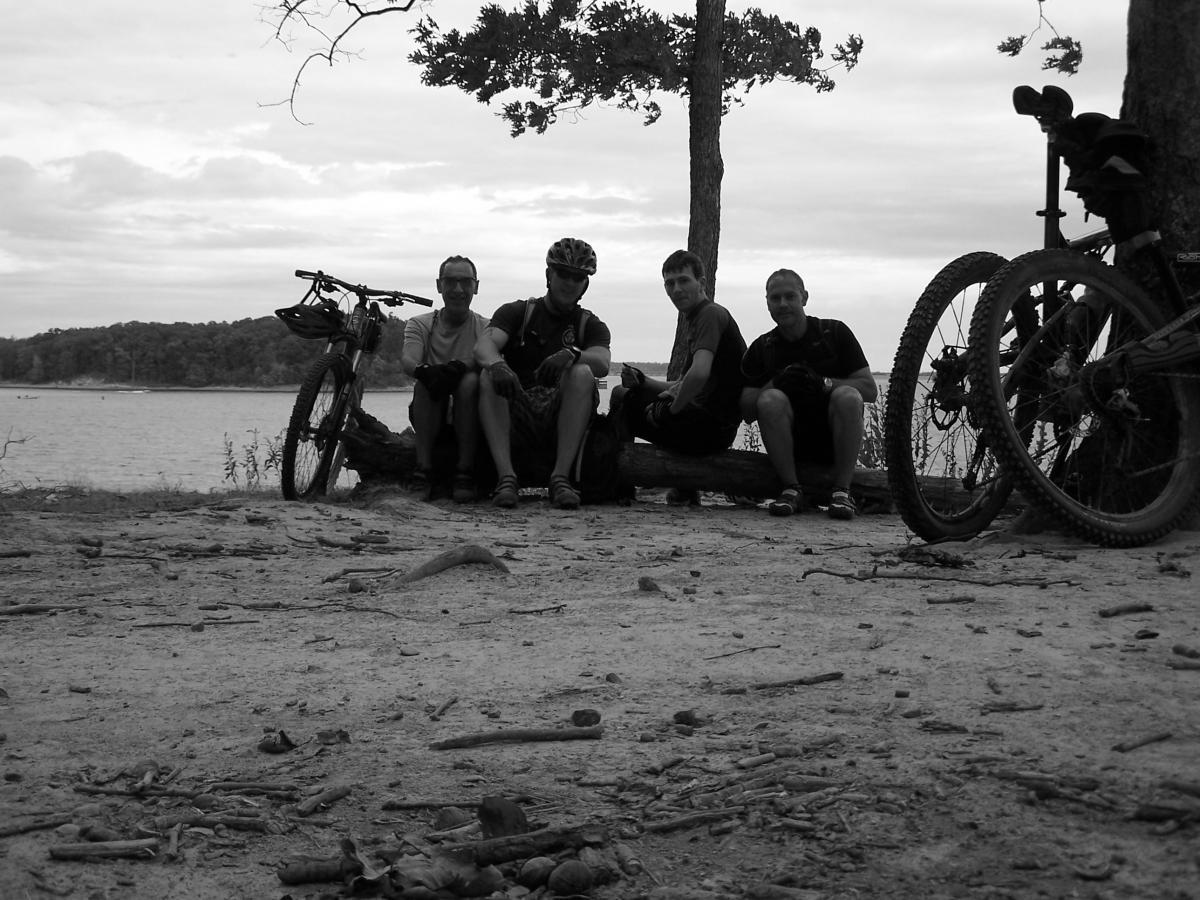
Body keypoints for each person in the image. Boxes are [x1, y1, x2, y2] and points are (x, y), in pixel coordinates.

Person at [474, 237, 612, 510]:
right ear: (549, 274)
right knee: (487, 375)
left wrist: (572, 354)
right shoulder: (517, 312)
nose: (569, 282)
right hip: (518, 407)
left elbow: (603, 362)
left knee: (583, 373)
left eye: (578, 277)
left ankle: (560, 478)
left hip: (561, 413)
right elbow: (485, 345)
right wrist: (498, 365)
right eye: (563, 273)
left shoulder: (590, 324)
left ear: (585, 284)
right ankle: (506, 478)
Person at [610, 249, 747, 505]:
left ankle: (620, 484)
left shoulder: (710, 314)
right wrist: (643, 380)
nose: (676, 289)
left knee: (620, 396)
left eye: (684, 281)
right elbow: (685, 383)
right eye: (669, 284)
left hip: (710, 430)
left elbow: (699, 373)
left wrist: (671, 409)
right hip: (710, 426)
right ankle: (685, 487)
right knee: (634, 394)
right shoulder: (698, 319)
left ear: (702, 283)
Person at [740, 268, 877, 519]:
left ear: (804, 297)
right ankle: (791, 489)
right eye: (775, 298)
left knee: (848, 396)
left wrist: (824, 383)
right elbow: (747, 411)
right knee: (770, 399)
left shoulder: (834, 333)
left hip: (833, 444)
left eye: (790, 297)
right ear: (767, 304)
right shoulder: (762, 348)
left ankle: (842, 492)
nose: (783, 304)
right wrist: (776, 383)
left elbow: (869, 390)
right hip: (790, 448)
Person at [400, 255, 488, 502]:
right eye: (450, 282)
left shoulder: (485, 327)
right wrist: (424, 371)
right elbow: (408, 359)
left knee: (469, 382)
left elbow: (487, 357)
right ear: (439, 286)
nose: (458, 289)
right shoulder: (420, 324)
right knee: (425, 383)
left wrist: (461, 367)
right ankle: (423, 470)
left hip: (471, 413)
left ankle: (465, 471)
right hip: (431, 409)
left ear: (476, 287)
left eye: (465, 282)